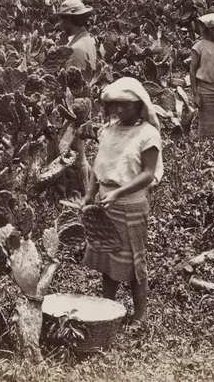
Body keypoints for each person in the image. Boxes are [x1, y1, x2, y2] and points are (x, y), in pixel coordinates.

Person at [79, 77, 164, 325]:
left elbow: (148, 174)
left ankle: (139, 316)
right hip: (105, 205)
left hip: (129, 206)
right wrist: (89, 194)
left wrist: (117, 193)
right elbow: (98, 165)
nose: (119, 110)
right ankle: (109, 310)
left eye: (125, 105)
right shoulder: (108, 131)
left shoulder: (147, 135)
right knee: (109, 261)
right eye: (115, 105)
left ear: (140, 105)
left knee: (135, 263)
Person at [55, 0, 98, 72]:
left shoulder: (76, 50)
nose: (60, 24)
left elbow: (73, 82)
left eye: (61, 20)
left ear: (68, 20)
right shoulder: (88, 39)